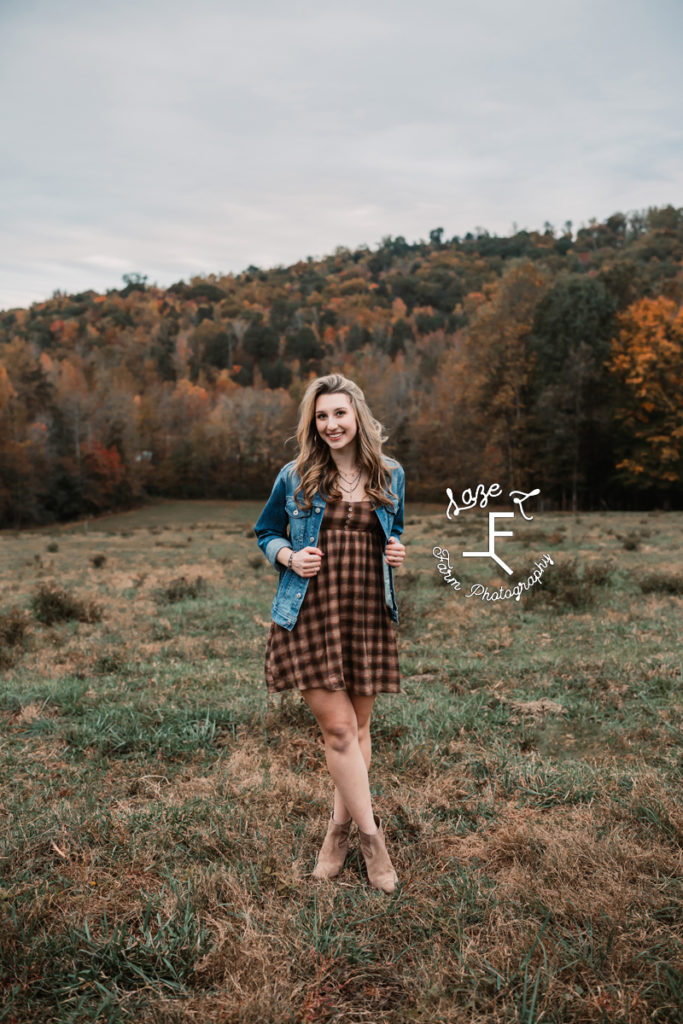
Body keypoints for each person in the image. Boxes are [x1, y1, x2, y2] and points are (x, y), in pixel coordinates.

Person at [253, 374, 406, 893]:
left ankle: (335, 831)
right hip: (311, 614)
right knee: (339, 732)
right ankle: (372, 841)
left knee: (360, 733)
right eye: (321, 416)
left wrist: (397, 551)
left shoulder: (390, 474)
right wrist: (289, 555)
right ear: (312, 423)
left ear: (357, 416)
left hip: (365, 613)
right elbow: (265, 532)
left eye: (340, 414)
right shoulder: (295, 477)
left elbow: (396, 530)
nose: (331, 424)